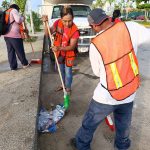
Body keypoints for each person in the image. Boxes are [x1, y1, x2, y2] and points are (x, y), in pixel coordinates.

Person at [71, 8, 150, 150]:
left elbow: (97, 72)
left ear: (94, 26)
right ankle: (122, 147)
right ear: (107, 17)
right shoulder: (130, 27)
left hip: (106, 97)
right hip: (129, 93)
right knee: (123, 128)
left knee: (89, 124)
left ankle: (82, 145)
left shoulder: (96, 44)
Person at [43, 5, 79, 94]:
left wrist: (59, 47)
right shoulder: (57, 23)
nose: (67, 24)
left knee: (68, 73)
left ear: (73, 18)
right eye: (64, 21)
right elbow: (47, 33)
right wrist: (45, 23)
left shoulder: (75, 30)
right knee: (61, 71)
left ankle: (68, 88)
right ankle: (62, 85)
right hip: (59, 54)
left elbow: (72, 47)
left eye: (69, 21)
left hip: (68, 54)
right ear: (61, 18)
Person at [4, 4, 30, 71]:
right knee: (19, 50)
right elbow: (18, 20)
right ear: (16, 8)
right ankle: (25, 64)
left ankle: (13, 67)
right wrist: (22, 18)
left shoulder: (7, 11)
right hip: (14, 35)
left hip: (6, 35)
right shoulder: (14, 10)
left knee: (10, 51)